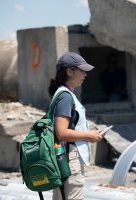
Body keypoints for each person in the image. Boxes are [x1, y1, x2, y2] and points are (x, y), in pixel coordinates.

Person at [48, 52, 103, 200]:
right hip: (69, 160)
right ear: (70, 72)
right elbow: (61, 132)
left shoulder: (64, 94)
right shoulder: (65, 97)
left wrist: (88, 133)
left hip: (65, 158)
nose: (85, 74)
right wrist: (88, 136)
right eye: (82, 70)